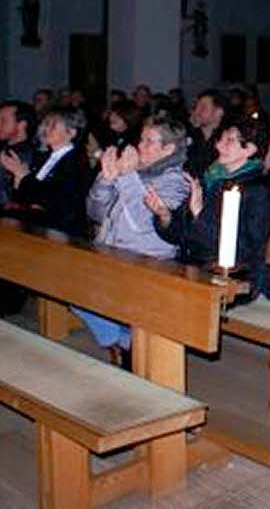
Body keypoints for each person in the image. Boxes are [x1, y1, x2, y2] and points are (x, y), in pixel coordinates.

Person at [78, 116, 190, 365]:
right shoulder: (136, 170)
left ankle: (128, 344)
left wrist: (126, 176)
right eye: (141, 139)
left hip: (149, 262)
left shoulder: (176, 181)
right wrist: (106, 180)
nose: (140, 146)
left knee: (78, 287)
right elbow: (94, 212)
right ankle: (124, 340)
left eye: (149, 142)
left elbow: (144, 223)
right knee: (66, 283)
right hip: (113, 254)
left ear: (168, 149)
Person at [149, 118, 270, 300]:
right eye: (220, 139)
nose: (219, 146)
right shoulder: (211, 179)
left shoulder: (257, 192)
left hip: (232, 280)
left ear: (250, 149)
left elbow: (243, 250)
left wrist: (199, 213)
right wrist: (165, 216)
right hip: (193, 269)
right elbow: (179, 236)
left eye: (229, 140)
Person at [0, 107, 90, 237]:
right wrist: (18, 177)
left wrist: (23, 176)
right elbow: (26, 197)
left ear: (71, 132)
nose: (46, 130)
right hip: (38, 224)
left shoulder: (76, 162)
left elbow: (55, 199)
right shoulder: (43, 157)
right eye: (46, 125)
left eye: (53, 126)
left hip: (60, 230)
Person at [186, 89, 227, 177]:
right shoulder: (191, 136)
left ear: (218, 112)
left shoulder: (226, 141)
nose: (197, 112)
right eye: (196, 107)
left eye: (203, 108)